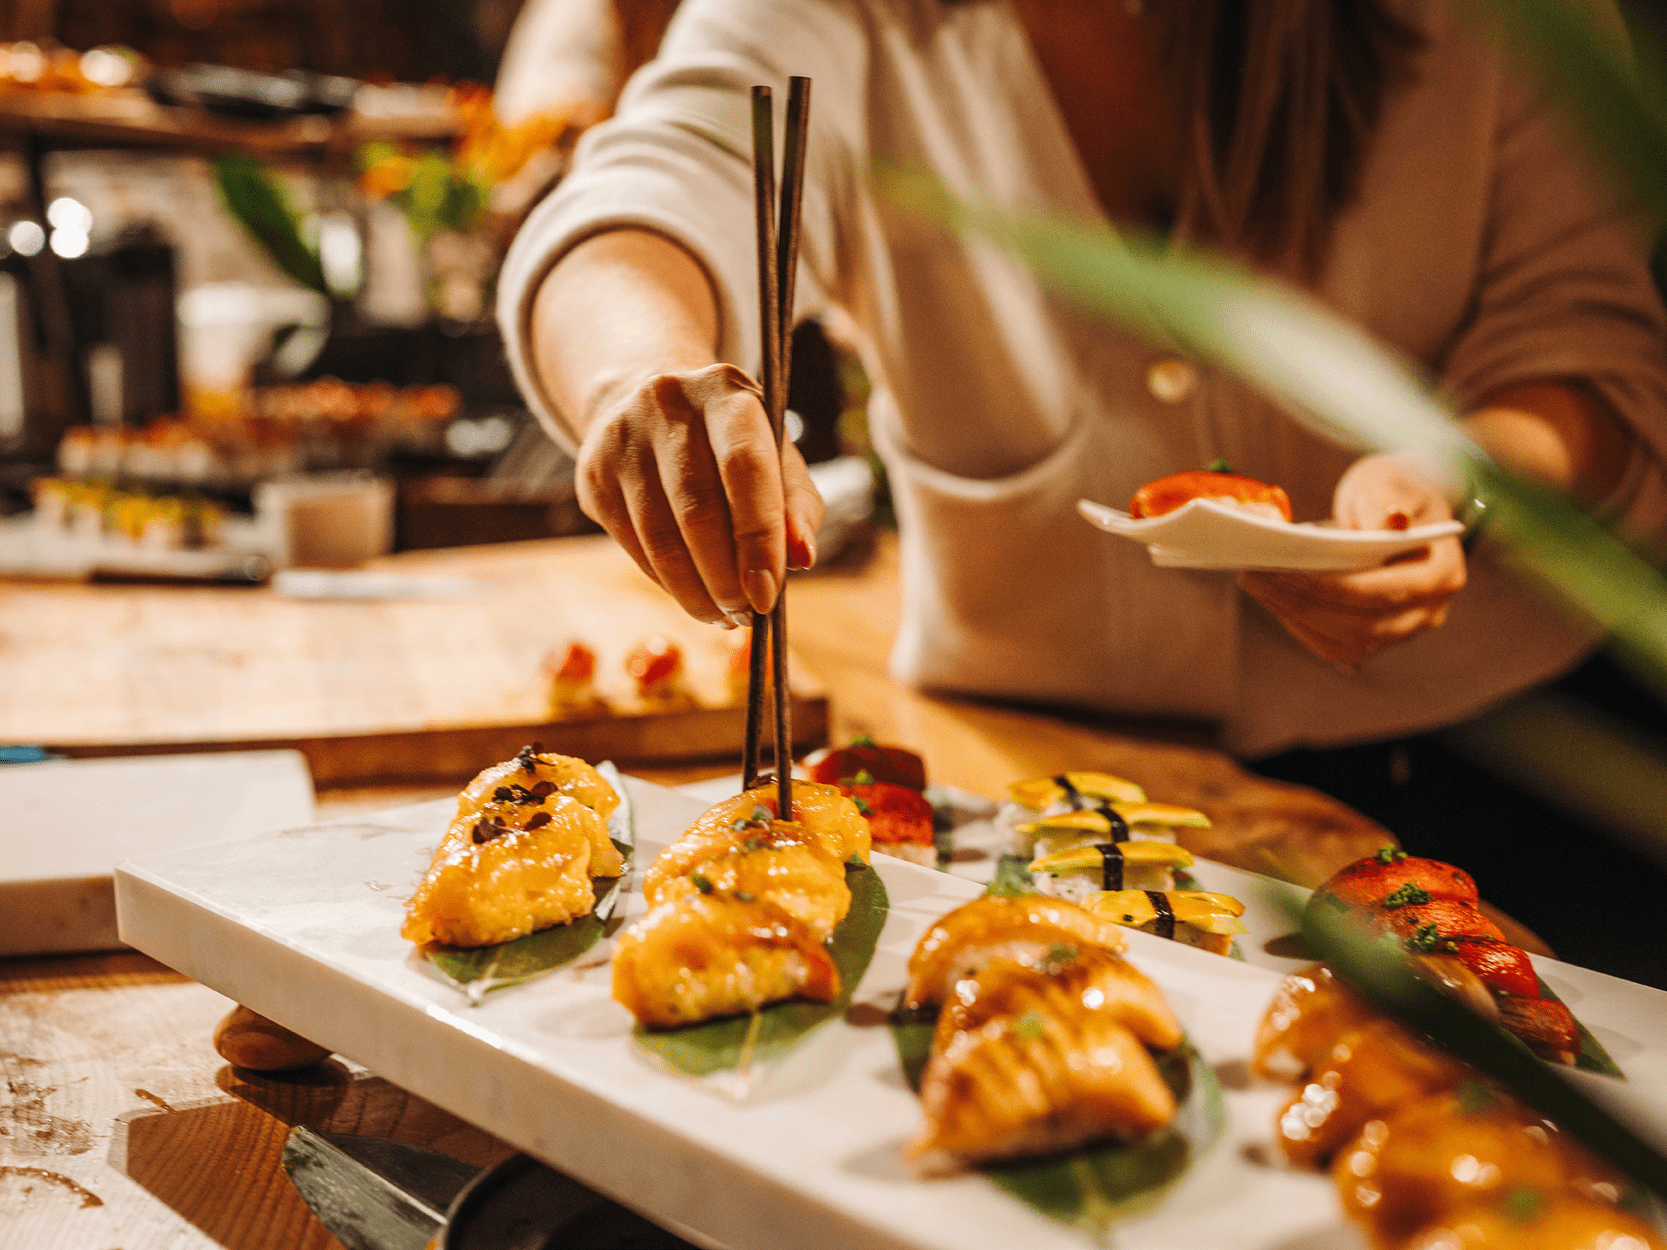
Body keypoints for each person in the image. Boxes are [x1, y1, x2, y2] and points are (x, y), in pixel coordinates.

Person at [497, 0, 1667, 758]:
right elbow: (646, 195)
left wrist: (1462, 477)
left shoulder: (1506, 28)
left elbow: (1592, 355)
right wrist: (637, 378)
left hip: (1493, 777)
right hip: (1026, 774)